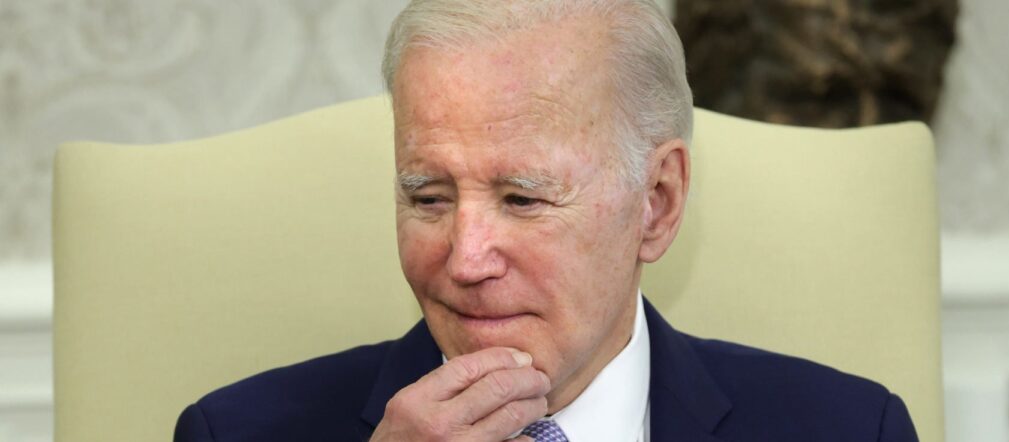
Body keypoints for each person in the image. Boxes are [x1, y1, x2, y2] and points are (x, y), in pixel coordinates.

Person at [174, 1, 919, 441]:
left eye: (522, 199)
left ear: (657, 203)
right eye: (429, 198)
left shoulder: (851, 430)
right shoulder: (233, 432)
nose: (466, 261)